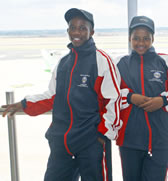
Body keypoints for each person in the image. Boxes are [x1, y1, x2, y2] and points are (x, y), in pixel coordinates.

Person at [1, 8, 122, 181]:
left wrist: (102, 134)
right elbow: (53, 96)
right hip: (62, 143)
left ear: (92, 31)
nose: (77, 32)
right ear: (67, 31)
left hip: (90, 142)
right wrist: (24, 104)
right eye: (73, 27)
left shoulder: (102, 61)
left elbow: (114, 101)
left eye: (82, 28)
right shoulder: (63, 62)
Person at [115, 16, 168, 181]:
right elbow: (110, 97)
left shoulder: (167, 61)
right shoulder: (119, 63)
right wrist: (131, 97)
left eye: (146, 38)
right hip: (129, 140)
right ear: (130, 39)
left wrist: (163, 101)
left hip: (160, 140)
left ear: (153, 38)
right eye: (136, 38)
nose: (141, 43)